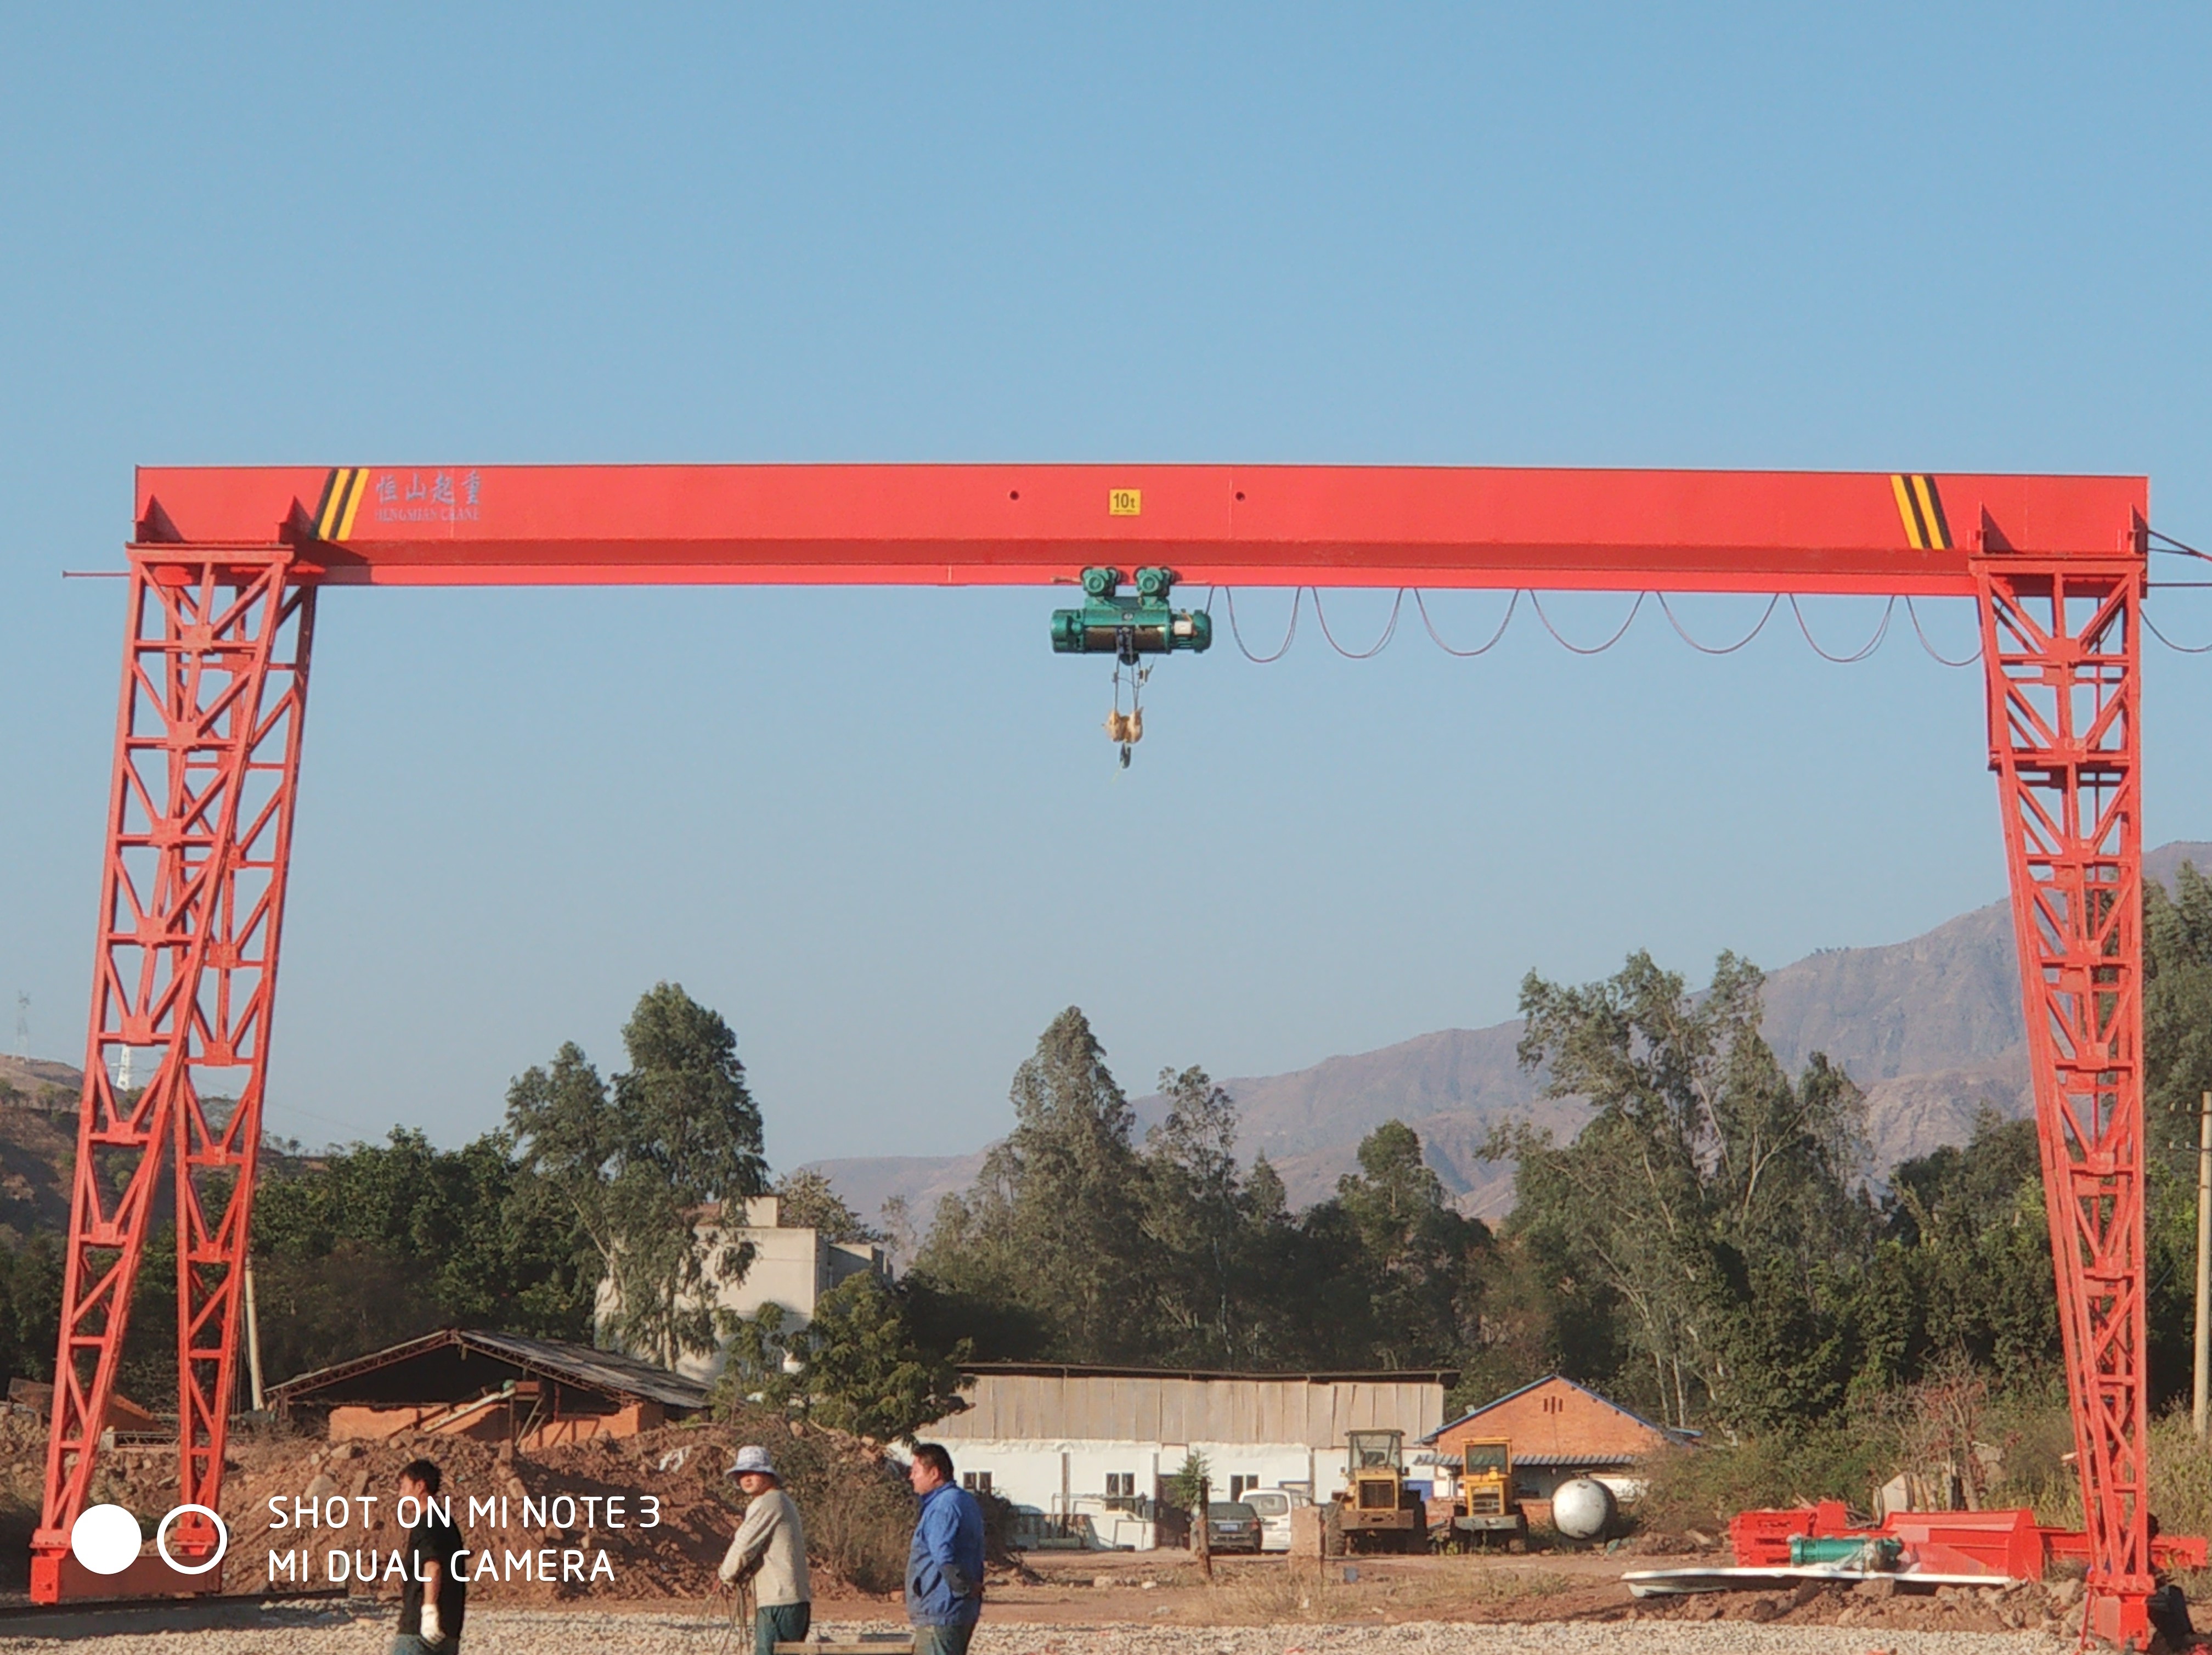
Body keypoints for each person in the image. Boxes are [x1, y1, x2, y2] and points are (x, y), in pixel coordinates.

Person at [719, 1444, 812, 1655]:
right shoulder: (781, 1501)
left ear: (768, 1475)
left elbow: (744, 1545)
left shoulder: (769, 1502)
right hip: (793, 1599)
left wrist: (726, 1575)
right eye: (742, 1474)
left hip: (779, 1599)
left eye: (753, 1472)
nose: (747, 1479)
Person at [905, 1443, 984, 1655]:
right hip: (957, 1611)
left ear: (934, 1473)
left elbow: (943, 1556)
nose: (911, 1477)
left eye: (916, 1471)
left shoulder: (944, 1506)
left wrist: (963, 1588)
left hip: (941, 1610)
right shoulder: (963, 1500)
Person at [393, 1457, 467, 1654]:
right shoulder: (447, 1522)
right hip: (450, 1626)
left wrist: (429, 1611)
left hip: (419, 1631)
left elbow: (432, 1567)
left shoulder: (427, 1523)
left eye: (404, 1487)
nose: (400, 1494)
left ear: (420, 1486)